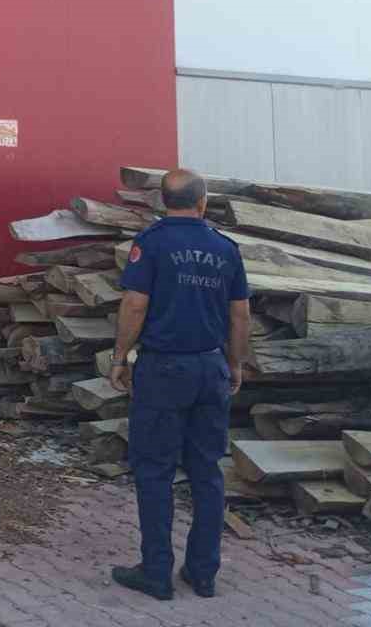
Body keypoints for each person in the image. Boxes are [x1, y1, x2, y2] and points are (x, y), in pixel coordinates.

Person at [108, 167, 251, 601]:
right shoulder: (225, 249)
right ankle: (203, 573)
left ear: (161, 203)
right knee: (207, 472)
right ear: (203, 201)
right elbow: (240, 314)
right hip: (210, 368)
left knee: (155, 472)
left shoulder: (151, 245)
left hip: (164, 371)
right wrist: (236, 364)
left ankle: (156, 573)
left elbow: (135, 305)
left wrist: (119, 357)